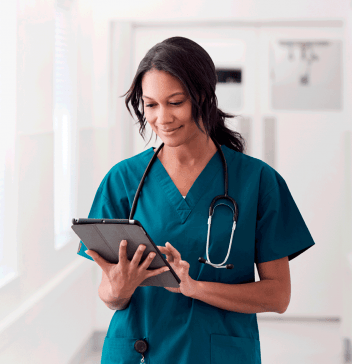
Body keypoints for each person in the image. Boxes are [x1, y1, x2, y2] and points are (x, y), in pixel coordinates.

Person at [77, 36, 315, 363]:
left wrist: (195, 287)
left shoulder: (258, 182)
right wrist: (119, 288)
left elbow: (278, 295)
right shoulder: (123, 180)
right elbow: (110, 295)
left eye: (175, 102)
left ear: (203, 97)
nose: (162, 118)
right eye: (151, 104)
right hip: (140, 352)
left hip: (217, 354)